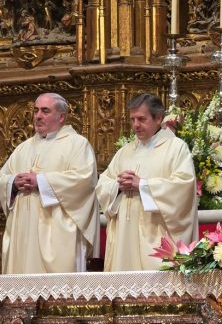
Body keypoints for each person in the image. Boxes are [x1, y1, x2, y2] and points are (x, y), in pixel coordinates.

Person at [96, 93, 198, 271]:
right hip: (124, 237)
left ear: (158, 118)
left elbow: (183, 186)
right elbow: (102, 185)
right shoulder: (125, 151)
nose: (136, 125)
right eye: (133, 119)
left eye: (141, 119)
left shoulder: (175, 148)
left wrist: (142, 185)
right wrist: (117, 187)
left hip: (155, 236)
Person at [0, 93, 99, 274]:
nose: (38, 116)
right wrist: (13, 182)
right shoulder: (24, 147)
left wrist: (41, 181)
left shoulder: (77, 144)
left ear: (61, 117)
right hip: (22, 232)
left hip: (58, 233)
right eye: (36, 110)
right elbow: (3, 177)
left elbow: (84, 180)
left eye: (45, 111)